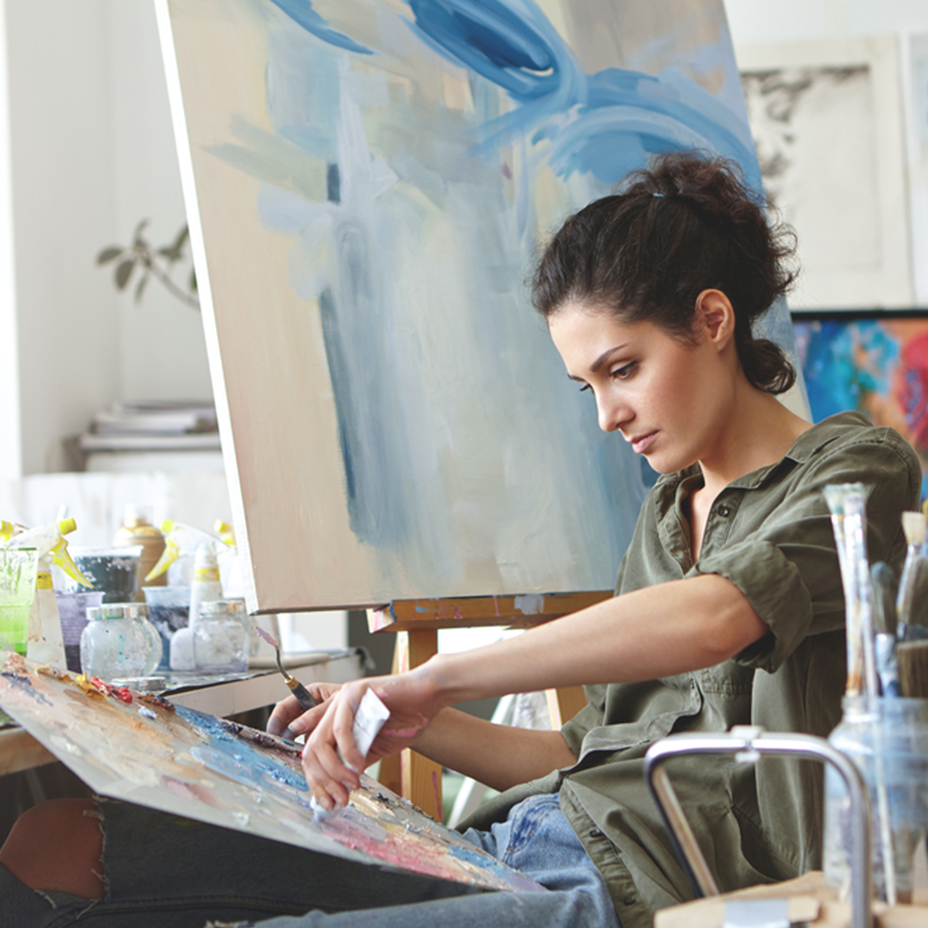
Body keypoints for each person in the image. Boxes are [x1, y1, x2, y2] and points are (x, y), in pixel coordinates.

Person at [1, 151, 920, 928]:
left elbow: (721, 615)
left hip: (634, 887)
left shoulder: (858, 469)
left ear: (713, 322)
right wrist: (414, 719)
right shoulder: (662, 518)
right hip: (525, 840)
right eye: (588, 386)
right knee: (60, 842)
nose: (607, 416)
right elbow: (577, 755)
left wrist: (435, 675)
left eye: (624, 369)